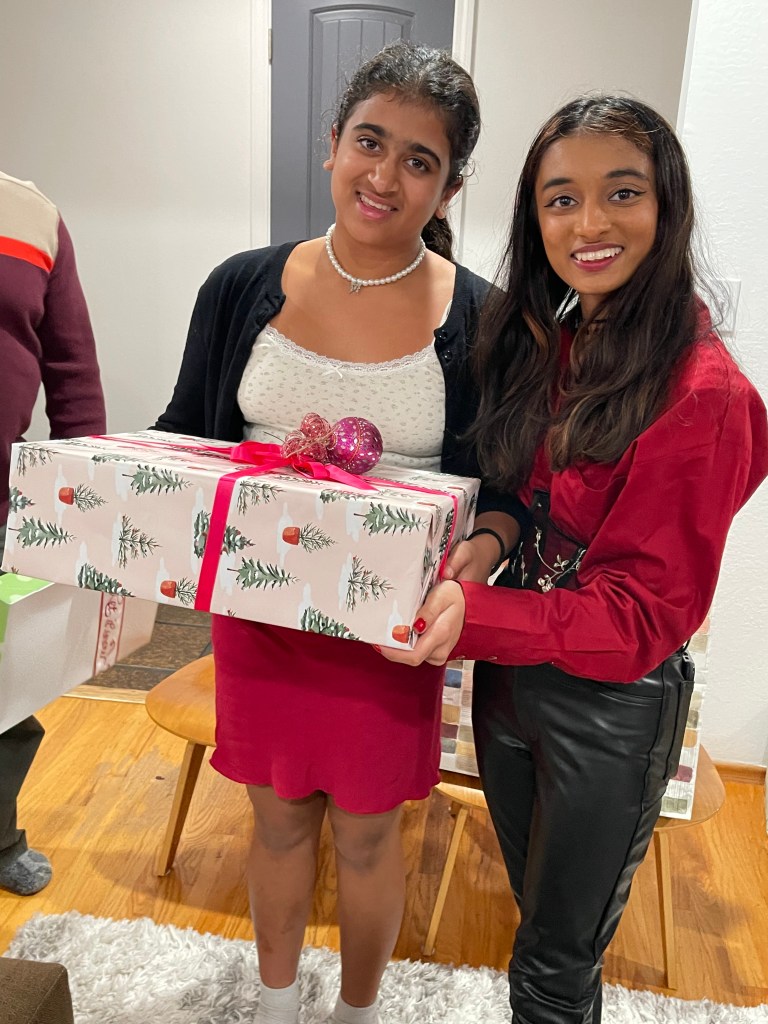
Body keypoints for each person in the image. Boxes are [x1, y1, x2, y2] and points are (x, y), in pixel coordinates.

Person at [378, 96, 768, 1023]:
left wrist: (475, 616)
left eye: (622, 193)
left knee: (555, 969)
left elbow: (640, 619)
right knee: (538, 917)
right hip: (513, 685)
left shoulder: (702, 392)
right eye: (562, 200)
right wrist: (487, 546)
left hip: (608, 713)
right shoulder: (553, 339)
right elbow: (527, 495)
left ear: (667, 205)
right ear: (535, 216)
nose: (590, 224)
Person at [154, 41, 518, 1024]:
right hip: (259, 618)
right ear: (333, 144)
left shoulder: (483, 320)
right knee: (274, 823)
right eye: (370, 141)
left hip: (388, 633)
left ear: (448, 186)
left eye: (418, 160)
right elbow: (183, 433)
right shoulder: (242, 285)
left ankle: (357, 1013)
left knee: (366, 835)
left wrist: (476, 561)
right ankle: (276, 1006)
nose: (384, 176)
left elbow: (507, 494)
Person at [0, 170, 106, 895]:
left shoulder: (31, 213)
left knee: (5, 699)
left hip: (2, 512)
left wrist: (80, 510)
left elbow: (71, 372)